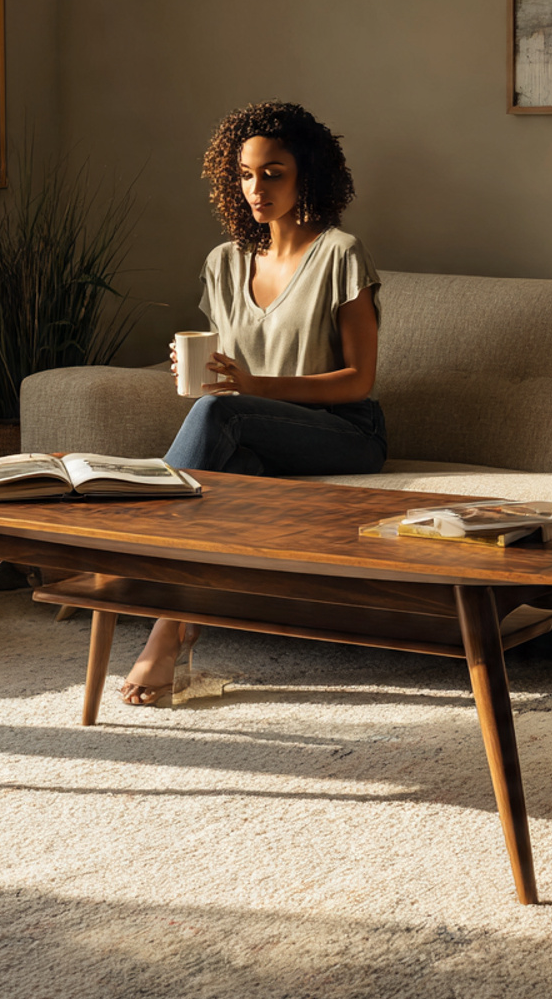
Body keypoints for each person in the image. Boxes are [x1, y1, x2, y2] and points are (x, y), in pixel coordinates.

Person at [120, 100, 386, 705]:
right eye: (245, 173)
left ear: (306, 175)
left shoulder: (341, 253)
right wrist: (203, 373)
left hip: (343, 432)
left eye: (274, 173)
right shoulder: (223, 263)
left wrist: (249, 387)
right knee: (223, 468)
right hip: (258, 434)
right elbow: (226, 375)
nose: (256, 188)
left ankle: (148, 580)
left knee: (218, 415)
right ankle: (170, 614)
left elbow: (357, 382)